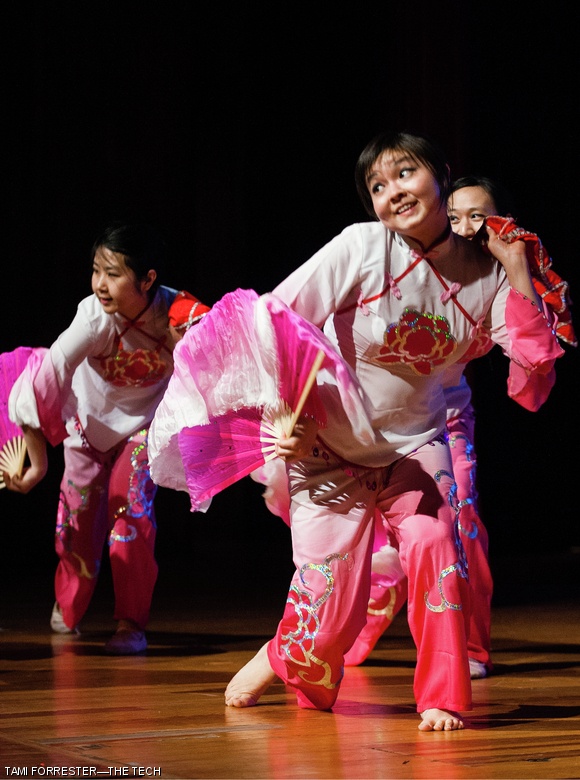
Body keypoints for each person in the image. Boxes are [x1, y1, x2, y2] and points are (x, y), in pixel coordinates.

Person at [153, 131, 564, 731]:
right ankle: (281, 655)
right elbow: (275, 319)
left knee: (433, 541)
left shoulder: (488, 279)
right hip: (325, 446)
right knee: (328, 607)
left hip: (415, 446)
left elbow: (533, 381)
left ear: (441, 176)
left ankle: (442, 695)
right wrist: (280, 418)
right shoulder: (363, 247)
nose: (393, 192)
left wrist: (517, 268)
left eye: (405, 174)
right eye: (378, 185)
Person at [343, 175, 575, 678]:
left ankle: (467, 646)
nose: (467, 228)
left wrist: (515, 267)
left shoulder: (496, 281)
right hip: (368, 417)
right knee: (361, 535)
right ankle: (368, 607)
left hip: (443, 418)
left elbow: (533, 363)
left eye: (480, 217)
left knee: (459, 518)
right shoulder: (400, 263)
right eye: (455, 217)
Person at [3, 222, 210, 654]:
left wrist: (184, 347)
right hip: (86, 429)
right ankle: (69, 605)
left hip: (142, 432)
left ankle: (130, 623)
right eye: (96, 270)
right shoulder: (93, 316)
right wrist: (38, 459)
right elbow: (50, 373)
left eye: (113, 273)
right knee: (76, 525)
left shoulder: (181, 313)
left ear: (148, 278)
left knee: (131, 510)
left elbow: (217, 367)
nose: (100, 283)